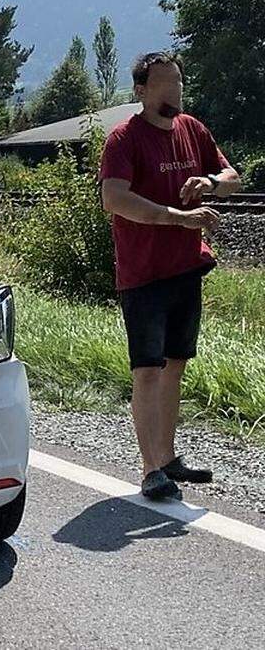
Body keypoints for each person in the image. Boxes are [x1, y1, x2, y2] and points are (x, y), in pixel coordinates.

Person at [99, 52, 242, 501]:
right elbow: (114, 200)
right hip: (143, 275)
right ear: (141, 91)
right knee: (147, 369)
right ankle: (149, 469)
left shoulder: (193, 129)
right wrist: (177, 217)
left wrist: (211, 183)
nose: (175, 90)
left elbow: (233, 176)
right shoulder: (124, 139)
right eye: (165, 83)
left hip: (185, 268)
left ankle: (168, 457)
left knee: (175, 365)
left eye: (178, 80)